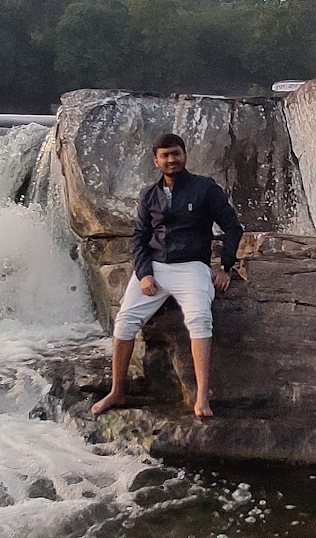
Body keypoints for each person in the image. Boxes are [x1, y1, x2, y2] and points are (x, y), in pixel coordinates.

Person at [91, 132, 242, 420]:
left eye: (176, 153)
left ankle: (201, 398)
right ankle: (117, 390)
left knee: (200, 318)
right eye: (165, 155)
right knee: (124, 322)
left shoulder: (205, 188)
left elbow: (232, 227)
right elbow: (139, 238)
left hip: (193, 267)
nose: (172, 159)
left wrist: (225, 266)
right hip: (156, 267)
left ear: (184, 155)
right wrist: (144, 273)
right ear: (156, 161)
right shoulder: (149, 194)